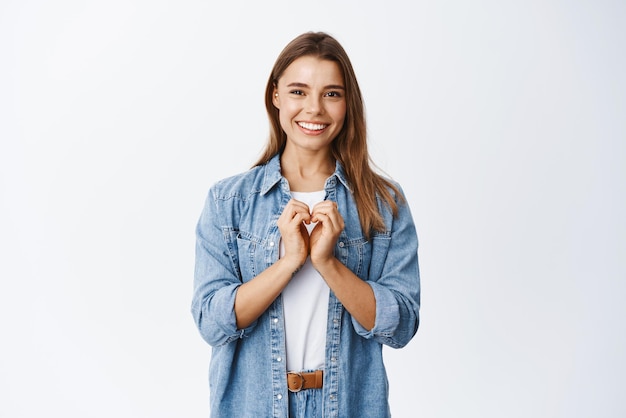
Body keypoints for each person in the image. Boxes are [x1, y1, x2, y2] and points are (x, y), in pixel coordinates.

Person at [192, 31, 420, 418]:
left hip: (347, 405)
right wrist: (287, 263)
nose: (314, 108)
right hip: (254, 407)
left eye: (331, 94)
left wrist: (328, 263)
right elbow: (212, 323)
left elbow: (400, 326)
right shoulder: (228, 202)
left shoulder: (383, 203)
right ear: (276, 96)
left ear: (348, 104)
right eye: (299, 91)